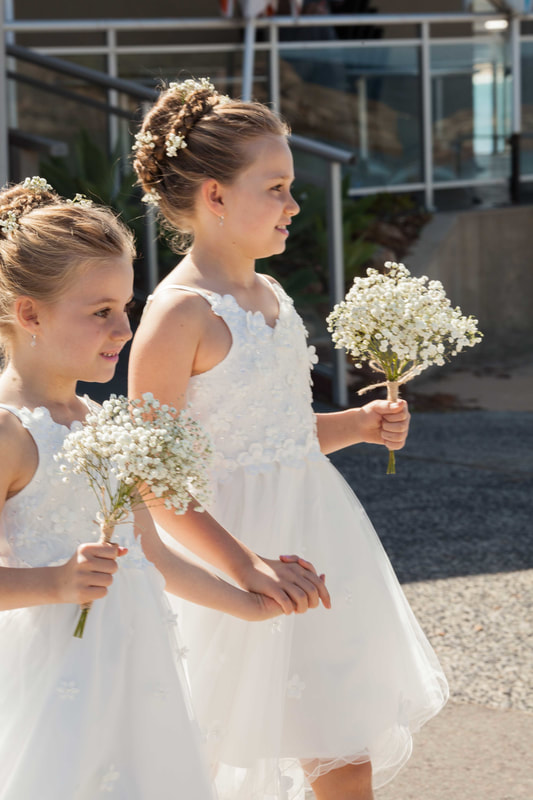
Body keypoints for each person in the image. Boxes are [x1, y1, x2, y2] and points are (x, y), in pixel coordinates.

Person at [129, 79, 448, 800]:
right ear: (214, 196)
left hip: (315, 540)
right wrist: (246, 566)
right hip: (229, 556)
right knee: (210, 755)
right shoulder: (177, 316)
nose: (293, 205)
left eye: (291, 187)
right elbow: (151, 479)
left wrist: (358, 426)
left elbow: (275, 433)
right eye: (274, 188)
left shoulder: (269, 296)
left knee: (340, 749)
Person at [0, 178, 325, 800]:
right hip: (51, 688)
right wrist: (55, 583)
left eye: (125, 307)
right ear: (31, 313)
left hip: (137, 680)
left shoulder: (102, 422)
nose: (123, 329)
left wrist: (249, 598)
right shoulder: (10, 434)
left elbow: (149, 554)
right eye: (100, 312)